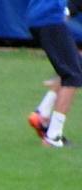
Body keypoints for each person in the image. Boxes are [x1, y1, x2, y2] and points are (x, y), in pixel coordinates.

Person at [26, 0, 82, 147]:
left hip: (39, 16)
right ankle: (53, 136)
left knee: (72, 69)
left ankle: (42, 114)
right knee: (73, 76)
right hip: (50, 18)